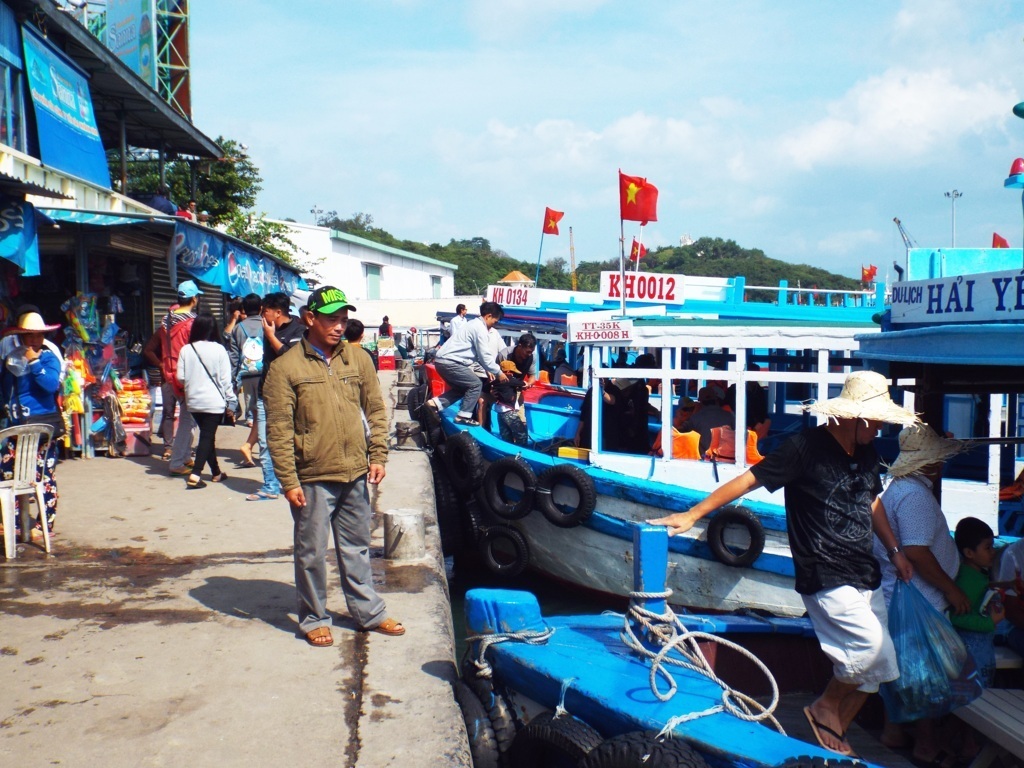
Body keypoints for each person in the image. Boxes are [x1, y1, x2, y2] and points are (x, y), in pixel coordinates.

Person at [650, 370, 917, 756]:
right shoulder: (803, 448)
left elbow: (871, 501)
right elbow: (748, 480)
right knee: (874, 650)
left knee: (879, 673)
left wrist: (895, 550)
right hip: (825, 571)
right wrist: (694, 514)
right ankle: (825, 706)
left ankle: (834, 725)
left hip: (866, 571)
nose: (879, 429)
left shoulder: (867, 452)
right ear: (855, 417)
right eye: (875, 421)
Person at [264, 285, 404, 647]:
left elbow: (375, 409)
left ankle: (368, 613)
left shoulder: (358, 360)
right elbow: (278, 430)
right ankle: (314, 618)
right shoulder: (285, 368)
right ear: (309, 318)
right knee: (311, 551)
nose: (340, 327)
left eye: (344, 320)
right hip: (311, 477)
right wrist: (287, 480)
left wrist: (378, 455)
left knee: (356, 546)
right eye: (332, 319)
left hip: (355, 471)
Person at [871, 424, 971, 764]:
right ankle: (926, 744)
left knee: (900, 671)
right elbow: (916, 552)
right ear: (930, 463)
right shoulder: (915, 495)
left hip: (899, 596)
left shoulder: (897, 490)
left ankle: (894, 731)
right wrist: (953, 590)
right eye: (939, 459)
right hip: (920, 598)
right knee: (926, 675)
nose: (942, 465)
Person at [0, 311, 63, 534]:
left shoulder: (48, 358)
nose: (35, 340)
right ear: (22, 337)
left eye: (38, 336)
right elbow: (6, 390)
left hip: (42, 428)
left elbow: (50, 385)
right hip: (16, 427)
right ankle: (14, 522)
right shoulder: (12, 358)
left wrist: (35, 362)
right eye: (30, 336)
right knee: (8, 474)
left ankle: (44, 524)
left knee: (43, 476)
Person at [247, 292, 306, 501]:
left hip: (290, 397)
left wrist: (271, 336)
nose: (263, 315)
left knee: (291, 442)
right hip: (266, 394)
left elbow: (292, 359)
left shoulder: (299, 330)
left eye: (265, 311)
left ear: (278, 312)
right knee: (265, 442)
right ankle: (270, 486)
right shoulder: (267, 329)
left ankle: (296, 482)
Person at [176, 313, 236, 489]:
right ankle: (195, 474)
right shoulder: (219, 350)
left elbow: (180, 377)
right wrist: (231, 400)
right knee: (206, 437)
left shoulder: (187, 349)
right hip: (214, 402)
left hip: (193, 401)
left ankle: (216, 472)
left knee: (207, 437)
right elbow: (226, 379)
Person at [430, 301, 507, 426]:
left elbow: (477, 356)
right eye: (495, 321)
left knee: (463, 388)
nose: (494, 325)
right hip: (451, 362)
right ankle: (463, 416)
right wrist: (499, 372)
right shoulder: (480, 328)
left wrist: (488, 369)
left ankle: (434, 404)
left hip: (442, 361)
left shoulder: (472, 324)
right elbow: (484, 355)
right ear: (488, 316)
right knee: (476, 384)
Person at [951, 517, 1005, 688]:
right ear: (969, 553)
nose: (993, 552)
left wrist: (1006, 585)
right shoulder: (967, 579)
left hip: (982, 645)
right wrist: (989, 622)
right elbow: (956, 617)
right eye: (987, 548)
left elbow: (982, 588)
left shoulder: (975, 574)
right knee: (976, 693)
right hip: (972, 648)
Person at [162, 281, 202, 477]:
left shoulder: (166, 319)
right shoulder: (192, 323)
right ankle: (177, 461)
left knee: (189, 415)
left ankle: (185, 456)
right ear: (194, 299)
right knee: (187, 418)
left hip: (170, 371)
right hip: (186, 373)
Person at [228, 293, 263, 431]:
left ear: (244, 309)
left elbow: (234, 355)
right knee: (263, 402)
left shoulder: (238, 328)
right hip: (264, 372)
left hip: (246, 372)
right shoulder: (267, 325)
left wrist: (233, 377)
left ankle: (250, 419)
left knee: (250, 401)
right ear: (261, 308)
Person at [679, 385, 734, 456]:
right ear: (716, 399)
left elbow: (681, 432)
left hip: (704, 459)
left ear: (700, 401)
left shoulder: (696, 418)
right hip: (726, 459)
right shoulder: (729, 416)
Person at [490, 360, 528, 446]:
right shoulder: (509, 379)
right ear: (507, 372)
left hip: (500, 412)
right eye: (512, 372)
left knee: (506, 435)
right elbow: (522, 383)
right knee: (521, 434)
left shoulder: (496, 382)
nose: (513, 374)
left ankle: (508, 452)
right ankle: (523, 452)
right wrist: (525, 384)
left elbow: (488, 385)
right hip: (509, 412)